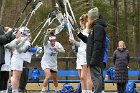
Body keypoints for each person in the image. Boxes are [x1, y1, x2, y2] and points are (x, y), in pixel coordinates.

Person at [78, 7, 107, 93]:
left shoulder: (98, 28)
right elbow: (90, 42)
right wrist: (80, 35)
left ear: (93, 18)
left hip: (95, 60)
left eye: (89, 18)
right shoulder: (95, 28)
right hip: (93, 59)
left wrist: (93, 60)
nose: (88, 20)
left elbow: (97, 46)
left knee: (96, 79)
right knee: (96, 79)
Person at [69, 14, 93, 93]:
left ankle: (89, 91)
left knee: (86, 76)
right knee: (82, 77)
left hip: (87, 54)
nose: (80, 22)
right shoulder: (83, 30)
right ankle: (84, 91)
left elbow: (87, 41)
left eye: (81, 21)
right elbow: (81, 44)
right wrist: (74, 42)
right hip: (80, 55)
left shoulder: (89, 30)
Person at [10, 28, 31, 93]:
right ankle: (13, 90)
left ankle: (15, 90)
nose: (21, 33)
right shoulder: (16, 40)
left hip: (19, 60)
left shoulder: (20, 39)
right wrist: (25, 43)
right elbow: (20, 50)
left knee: (17, 77)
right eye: (19, 32)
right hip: (16, 59)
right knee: (15, 77)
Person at [0, 26, 15, 93]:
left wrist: (14, 35)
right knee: (2, 78)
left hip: (7, 62)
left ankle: (5, 91)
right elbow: (9, 45)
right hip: (3, 62)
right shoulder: (3, 38)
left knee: (6, 78)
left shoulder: (6, 38)